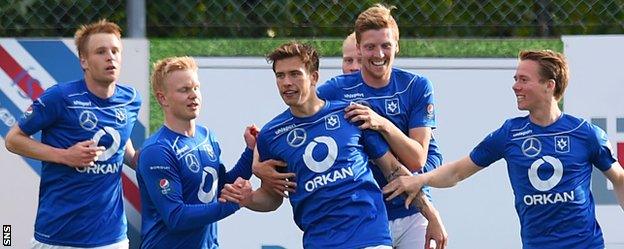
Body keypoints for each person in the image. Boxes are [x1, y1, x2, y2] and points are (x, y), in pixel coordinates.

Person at [383, 50, 624, 249]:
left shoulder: (585, 133)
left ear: (549, 86)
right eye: (515, 78)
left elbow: (619, 178)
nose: (515, 86)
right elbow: (457, 172)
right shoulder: (510, 133)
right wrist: (419, 180)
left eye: (523, 80)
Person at [253, 4, 447, 248]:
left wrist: (382, 124)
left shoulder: (416, 86)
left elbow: (418, 159)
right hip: (365, 215)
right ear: (359, 48)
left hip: (408, 209)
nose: (378, 54)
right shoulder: (338, 91)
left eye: (386, 45)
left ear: (397, 45)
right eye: (370, 47)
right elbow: (296, 115)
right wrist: (256, 165)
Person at [4, 20, 140, 248]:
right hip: (58, 234)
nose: (110, 57)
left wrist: (139, 160)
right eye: (101, 52)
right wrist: (65, 156)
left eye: (115, 51)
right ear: (84, 61)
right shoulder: (60, 97)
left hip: (111, 237)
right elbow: (13, 140)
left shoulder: (131, 99)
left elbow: (122, 141)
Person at [136, 56, 257, 249]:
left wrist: (251, 151)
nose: (193, 95)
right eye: (184, 90)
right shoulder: (157, 150)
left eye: (196, 87)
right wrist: (235, 204)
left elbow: (219, 187)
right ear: (162, 98)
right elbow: (176, 216)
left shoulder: (207, 135)